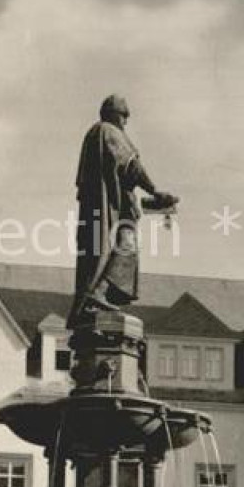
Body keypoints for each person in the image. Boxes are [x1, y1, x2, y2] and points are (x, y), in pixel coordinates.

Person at [68, 94, 177, 325]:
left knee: (108, 249)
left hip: (102, 207)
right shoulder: (110, 132)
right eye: (124, 115)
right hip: (110, 209)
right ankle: (98, 293)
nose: (126, 122)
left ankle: (98, 294)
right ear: (114, 114)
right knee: (124, 244)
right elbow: (131, 167)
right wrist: (155, 192)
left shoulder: (93, 134)